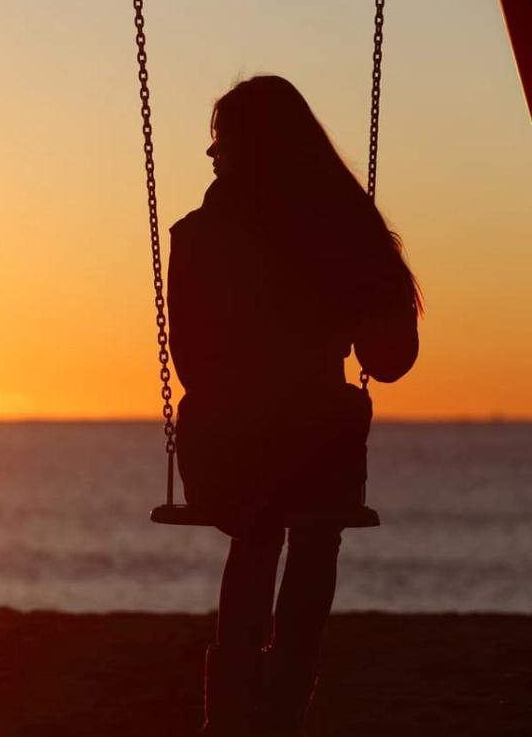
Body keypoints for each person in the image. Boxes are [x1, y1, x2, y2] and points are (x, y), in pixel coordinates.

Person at [167, 75, 421, 736]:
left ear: (250, 148)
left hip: (227, 447)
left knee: (259, 529)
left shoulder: (198, 237)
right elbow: (391, 360)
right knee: (313, 524)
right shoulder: (342, 229)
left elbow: (191, 360)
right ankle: (282, 707)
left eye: (219, 140)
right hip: (310, 444)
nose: (211, 154)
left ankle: (228, 718)